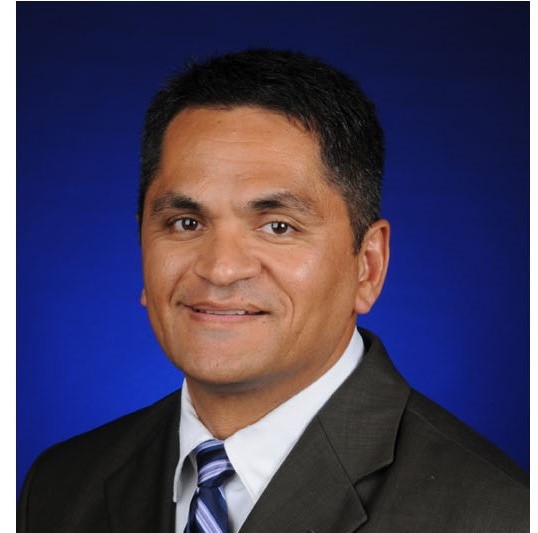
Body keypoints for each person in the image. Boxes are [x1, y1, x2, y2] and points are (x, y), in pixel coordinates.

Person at [17, 49, 528, 533]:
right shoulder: (58, 487)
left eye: (278, 226)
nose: (220, 269)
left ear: (367, 267)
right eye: (186, 223)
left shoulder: (497, 515)